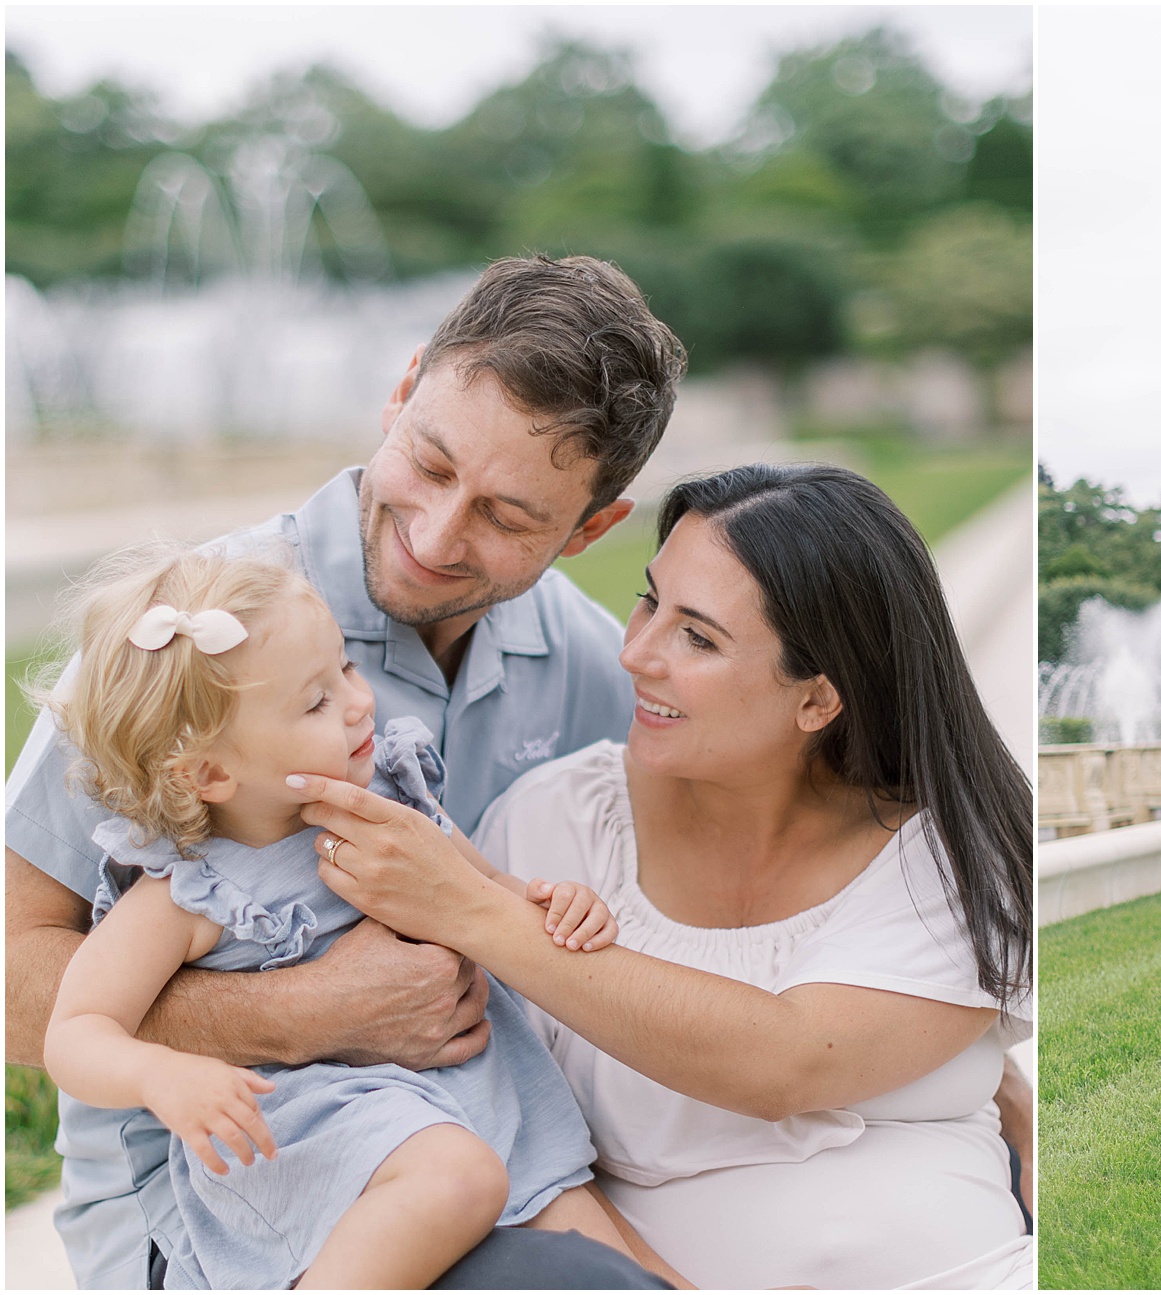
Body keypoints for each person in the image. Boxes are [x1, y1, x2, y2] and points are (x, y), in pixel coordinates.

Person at [6, 253, 686, 1289]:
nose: (434, 533)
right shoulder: (189, 647)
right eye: (430, 460)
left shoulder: (587, 664)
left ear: (592, 529)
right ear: (401, 390)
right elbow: (13, 981)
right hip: (230, 1198)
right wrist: (301, 1009)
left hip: (487, 1124)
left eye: (507, 516)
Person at [292, 463, 1037, 1289]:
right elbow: (500, 1121)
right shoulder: (554, 820)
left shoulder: (951, 854)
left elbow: (787, 1060)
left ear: (818, 700)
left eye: (698, 636)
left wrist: (474, 909)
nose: (635, 651)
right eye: (650, 601)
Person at [40, 547, 641, 1289]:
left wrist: (553, 901)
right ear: (212, 772)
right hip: (312, 1132)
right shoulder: (188, 891)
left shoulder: (390, 792)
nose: (360, 702)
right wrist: (162, 1075)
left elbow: (491, 890)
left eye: (347, 670)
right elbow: (74, 1032)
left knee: (625, 1261)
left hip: (477, 1089)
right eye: (317, 701)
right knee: (457, 1177)